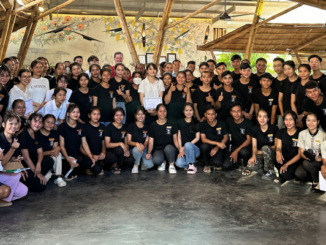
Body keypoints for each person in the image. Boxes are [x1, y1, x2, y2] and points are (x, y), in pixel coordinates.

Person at [58, 104, 99, 179]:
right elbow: (62, 146)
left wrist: (91, 156)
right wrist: (68, 159)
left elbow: (84, 144)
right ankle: (65, 171)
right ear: (68, 114)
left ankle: (75, 171)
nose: (76, 114)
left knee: (95, 168)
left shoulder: (81, 126)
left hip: (77, 152)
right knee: (79, 159)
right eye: (73, 112)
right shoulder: (62, 127)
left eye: (78, 112)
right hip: (66, 153)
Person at [19, 113, 54, 192]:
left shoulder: (37, 133)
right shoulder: (23, 135)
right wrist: (38, 173)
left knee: (50, 161)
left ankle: (36, 176)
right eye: (35, 121)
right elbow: (26, 158)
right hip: (24, 165)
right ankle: (31, 178)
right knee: (40, 187)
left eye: (40, 122)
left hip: (33, 162)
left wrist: (38, 164)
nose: (37, 124)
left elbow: (40, 152)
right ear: (29, 121)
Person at [0, 112, 28, 207]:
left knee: (23, 191)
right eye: (10, 123)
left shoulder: (14, 138)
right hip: (1, 171)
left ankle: (4, 197)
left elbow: (11, 158)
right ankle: (5, 200)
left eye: (16, 123)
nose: (14, 126)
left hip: (5, 172)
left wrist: (17, 161)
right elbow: (2, 162)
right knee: (17, 174)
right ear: (4, 124)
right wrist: (12, 149)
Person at [295, 113, 326, 192]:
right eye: (308, 120)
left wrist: (319, 158)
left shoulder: (323, 135)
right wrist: (310, 157)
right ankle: (315, 177)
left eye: (313, 121)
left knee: (306, 164)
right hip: (308, 159)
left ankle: (316, 181)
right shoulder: (302, 134)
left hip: (320, 161)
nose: (311, 123)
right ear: (305, 121)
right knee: (299, 173)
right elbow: (301, 153)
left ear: (318, 122)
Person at [247, 109, 278, 180]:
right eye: (260, 116)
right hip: (260, 154)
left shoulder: (274, 128)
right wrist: (253, 156)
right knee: (250, 165)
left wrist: (263, 151)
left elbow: (276, 145)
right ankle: (262, 166)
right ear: (257, 118)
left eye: (265, 117)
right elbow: (254, 146)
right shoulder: (254, 129)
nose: (262, 119)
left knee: (265, 148)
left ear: (268, 118)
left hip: (271, 153)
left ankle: (269, 171)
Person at [147, 104, 178, 173]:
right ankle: (163, 162)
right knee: (156, 160)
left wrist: (180, 149)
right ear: (156, 112)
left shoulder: (172, 123)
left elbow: (175, 140)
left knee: (168, 148)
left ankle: (171, 165)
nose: (162, 113)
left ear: (167, 112)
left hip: (170, 148)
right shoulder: (153, 125)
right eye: (160, 111)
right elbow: (151, 141)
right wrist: (149, 153)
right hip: (158, 149)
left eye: (164, 111)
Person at [38, 114, 66, 187]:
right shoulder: (37, 134)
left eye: (52, 123)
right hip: (40, 158)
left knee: (58, 154)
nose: (50, 125)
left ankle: (59, 177)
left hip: (50, 156)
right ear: (43, 122)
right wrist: (49, 152)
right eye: (48, 122)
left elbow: (55, 148)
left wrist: (57, 148)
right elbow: (36, 153)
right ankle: (49, 172)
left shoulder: (55, 133)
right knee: (43, 182)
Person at [104, 107, 134, 174]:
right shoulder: (108, 128)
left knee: (131, 160)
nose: (119, 117)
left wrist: (126, 150)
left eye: (121, 115)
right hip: (111, 151)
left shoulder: (125, 127)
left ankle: (118, 165)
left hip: (121, 151)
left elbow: (126, 143)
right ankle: (114, 165)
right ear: (113, 116)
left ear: (123, 116)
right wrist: (119, 143)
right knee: (120, 149)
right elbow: (107, 144)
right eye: (117, 115)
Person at [81, 107, 110, 176]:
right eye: (94, 114)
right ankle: (91, 167)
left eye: (98, 114)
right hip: (89, 153)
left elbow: (103, 142)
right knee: (97, 170)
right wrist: (91, 155)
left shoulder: (102, 126)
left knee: (112, 158)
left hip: (99, 154)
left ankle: (98, 164)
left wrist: (103, 152)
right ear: (89, 115)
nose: (96, 116)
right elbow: (82, 145)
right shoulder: (85, 126)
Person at [275, 110, 301, 182]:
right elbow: (278, 147)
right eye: (286, 119)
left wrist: (286, 164)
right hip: (283, 158)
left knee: (285, 175)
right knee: (271, 156)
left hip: (293, 161)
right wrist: (278, 153)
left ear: (295, 120)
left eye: (290, 119)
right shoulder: (281, 132)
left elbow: (299, 155)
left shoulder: (300, 134)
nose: (288, 122)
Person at [200, 105, 228, 173]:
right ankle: (206, 164)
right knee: (204, 146)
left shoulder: (222, 123)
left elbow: (226, 137)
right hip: (209, 146)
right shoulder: (203, 124)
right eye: (208, 114)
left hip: (219, 147)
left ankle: (213, 160)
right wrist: (217, 143)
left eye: (213, 114)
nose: (210, 116)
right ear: (205, 114)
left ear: (216, 114)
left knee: (218, 163)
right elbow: (203, 139)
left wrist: (217, 147)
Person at [224, 103, 253, 170]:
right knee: (226, 166)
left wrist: (237, 151)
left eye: (238, 111)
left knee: (244, 152)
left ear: (242, 112)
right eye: (234, 111)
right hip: (235, 147)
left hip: (246, 147)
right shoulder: (229, 121)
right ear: (231, 112)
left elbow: (249, 140)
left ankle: (247, 164)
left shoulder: (248, 123)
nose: (236, 114)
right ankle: (238, 162)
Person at [174, 103, 200, 173]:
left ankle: (192, 165)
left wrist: (186, 146)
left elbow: (197, 138)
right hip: (183, 149)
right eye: (186, 110)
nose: (188, 112)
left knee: (188, 144)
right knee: (178, 163)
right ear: (183, 111)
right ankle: (189, 163)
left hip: (194, 150)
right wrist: (180, 149)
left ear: (193, 111)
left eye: (190, 110)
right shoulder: (179, 122)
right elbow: (178, 137)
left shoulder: (196, 122)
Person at [127, 106, 153, 173]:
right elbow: (128, 141)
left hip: (144, 148)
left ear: (145, 115)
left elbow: (147, 140)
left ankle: (141, 161)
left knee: (149, 165)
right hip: (134, 149)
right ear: (135, 115)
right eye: (138, 114)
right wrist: (137, 144)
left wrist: (143, 146)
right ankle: (136, 165)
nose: (140, 116)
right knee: (136, 150)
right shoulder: (131, 126)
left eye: (142, 114)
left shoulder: (147, 126)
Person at [291, 64, 311, 128]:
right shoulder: (295, 85)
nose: (302, 73)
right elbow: (292, 102)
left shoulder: (313, 85)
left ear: (309, 72)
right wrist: (297, 117)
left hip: (310, 114)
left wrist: (302, 116)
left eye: (305, 71)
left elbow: (314, 102)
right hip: (297, 114)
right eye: (300, 71)